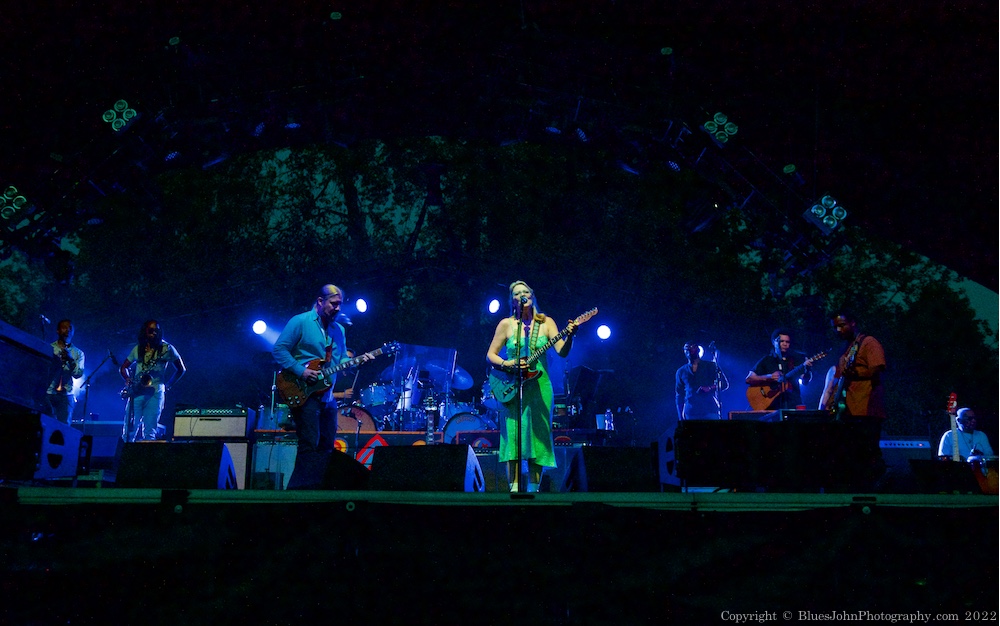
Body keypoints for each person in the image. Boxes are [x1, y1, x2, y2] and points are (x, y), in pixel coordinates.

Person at [273, 284, 369, 489]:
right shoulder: (300, 322)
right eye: (333, 304)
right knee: (309, 443)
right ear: (320, 301)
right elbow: (279, 350)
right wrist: (302, 371)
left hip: (327, 397)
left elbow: (341, 358)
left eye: (340, 305)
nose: (337, 309)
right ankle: (297, 493)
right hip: (304, 392)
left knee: (327, 445)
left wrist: (354, 362)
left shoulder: (339, 330)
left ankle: (319, 490)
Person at [486, 280, 576, 493]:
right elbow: (490, 355)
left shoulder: (546, 323)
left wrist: (570, 336)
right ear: (513, 301)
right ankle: (515, 488)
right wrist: (509, 364)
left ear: (532, 296)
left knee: (538, 435)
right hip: (512, 385)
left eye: (526, 291)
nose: (522, 295)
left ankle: (534, 488)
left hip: (540, 386)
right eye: (517, 293)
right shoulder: (506, 325)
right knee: (513, 435)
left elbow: (562, 352)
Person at [119, 320, 186, 441]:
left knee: (150, 433)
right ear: (145, 331)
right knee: (129, 430)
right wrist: (128, 379)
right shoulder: (138, 348)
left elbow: (181, 369)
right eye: (151, 331)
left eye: (157, 331)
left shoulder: (167, 349)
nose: (154, 333)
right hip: (137, 391)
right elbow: (123, 367)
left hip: (155, 393)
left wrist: (168, 385)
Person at [818, 311, 887, 419]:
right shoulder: (846, 349)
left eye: (842, 325)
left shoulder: (868, 342)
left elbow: (877, 369)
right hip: (848, 410)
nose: (838, 330)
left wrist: (855, 373)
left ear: (853, 323)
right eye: (835, 327)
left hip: (867, 410)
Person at [745, 329, 814, 411]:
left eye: (787, 342)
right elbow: (749, 379)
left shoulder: (795, 360)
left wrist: (808, 370)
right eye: (782, 341)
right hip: (771, 406)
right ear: (775, 342)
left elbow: (805, 381)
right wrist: (769, 377)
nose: (785, 344)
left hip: (792, 404)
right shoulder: (767, 360)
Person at [675, 341, 729, 420]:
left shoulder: (711, 366)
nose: (689, 350)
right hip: (691, 412)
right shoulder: (681, 371)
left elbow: (724, 384)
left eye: (692, 347)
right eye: (686, 348)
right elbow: (679, 395)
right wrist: (680, 417)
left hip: (709, 409)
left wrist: (710, 388)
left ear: (698, 350)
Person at [46, 319, 85, 424]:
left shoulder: (79, 353)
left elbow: (78, 374)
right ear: (58, 331)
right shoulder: (49, 348)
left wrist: (71, 359)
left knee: (64, 427)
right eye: (64, 328)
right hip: (49, 393)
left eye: (70, 328)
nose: (68, 330)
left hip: (66, 395)